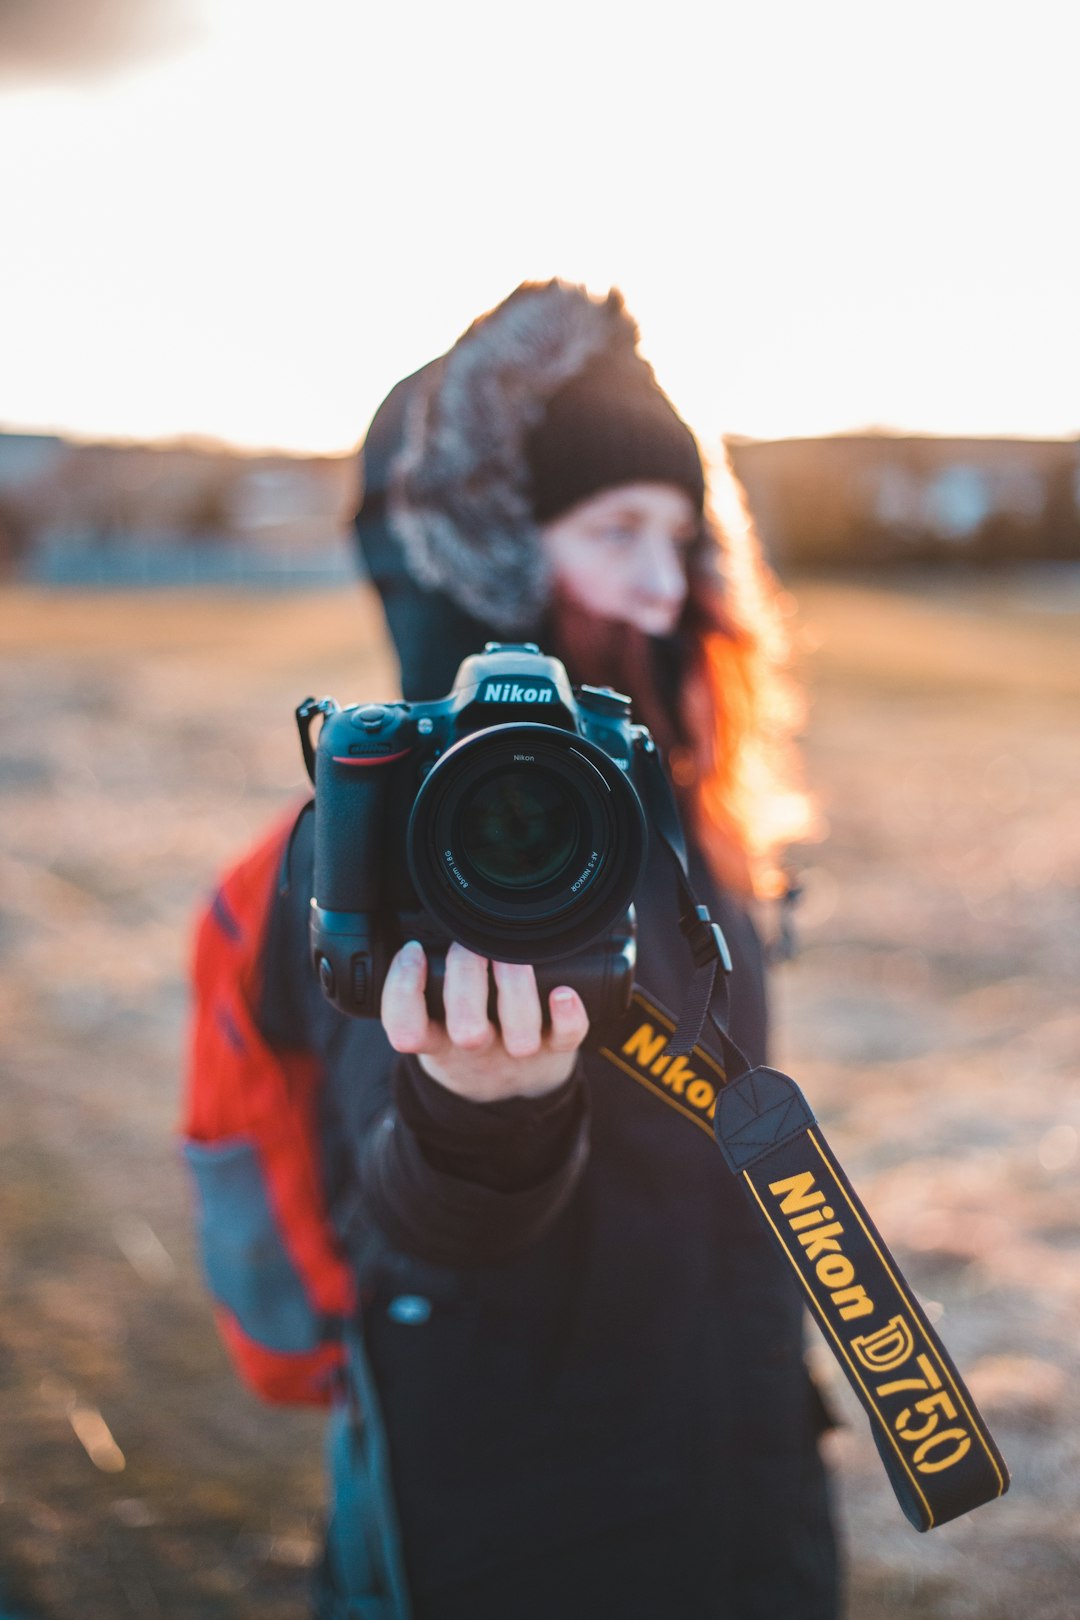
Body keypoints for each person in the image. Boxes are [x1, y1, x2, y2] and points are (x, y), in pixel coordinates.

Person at [183, 279, 839, 1619]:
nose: (666, 585)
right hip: (519, 1516)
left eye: (682, 533)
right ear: (479, 562)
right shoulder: (382, 849)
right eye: (617, 531)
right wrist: (480, 1112)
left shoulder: (664, 814)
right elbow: (412, 1228)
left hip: (738, 1458)